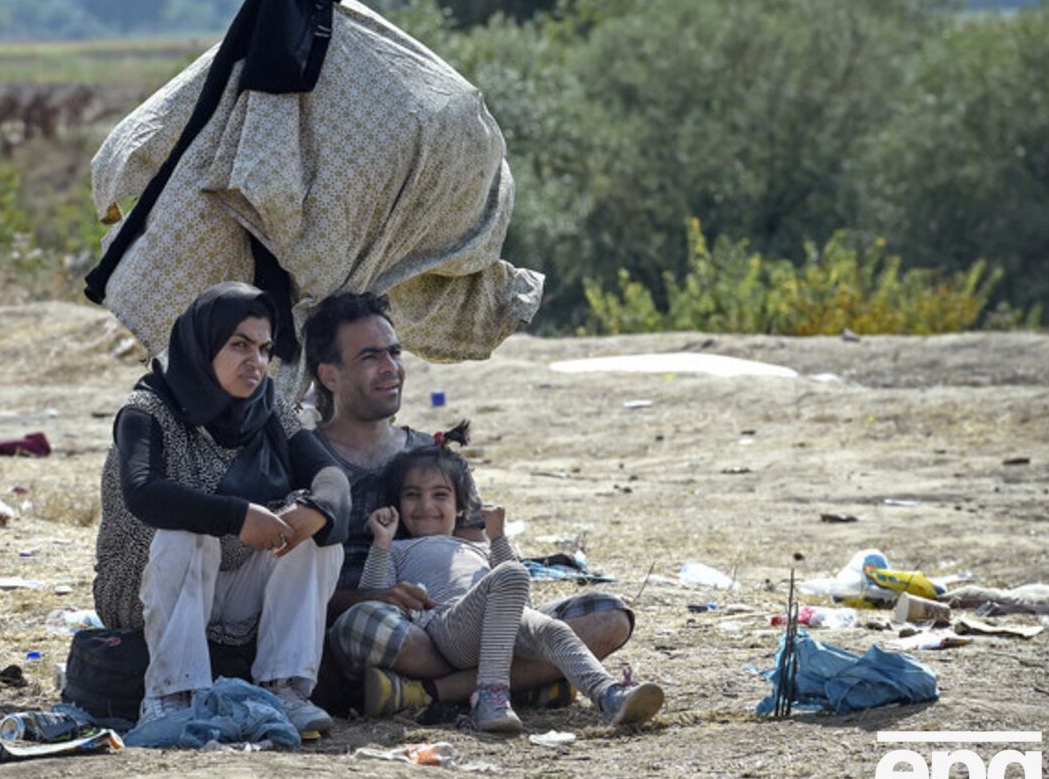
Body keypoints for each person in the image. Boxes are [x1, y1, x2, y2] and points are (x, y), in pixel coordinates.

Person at [304, 292, 638, 717]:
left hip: (466, 621)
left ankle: (428, 693)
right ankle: (528, 677)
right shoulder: (306, 458)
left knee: (610, 616)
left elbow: (478, 558)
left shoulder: (432, 454)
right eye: (371, 357)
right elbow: (291, 588)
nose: (391, 368)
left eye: (394, 352)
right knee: (371, 626)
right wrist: (375, 595)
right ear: (330, 376)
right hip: (390, 630)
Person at [93, 283, 349, 733]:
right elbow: (143, 492)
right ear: (203, 344)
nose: (256, 360)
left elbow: (331, 478)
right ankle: (172, 696)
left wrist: (316, 509)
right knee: (186, 531)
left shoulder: (268, 410)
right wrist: (237, 516)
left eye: (265, 348)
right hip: (141, 586)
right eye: (239, 345)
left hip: (229, 585)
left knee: (317, 537)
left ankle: (283, 689)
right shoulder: (147, 409)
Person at [362, 426, 664, 733]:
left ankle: (610, 695)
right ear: (398, 505)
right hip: (449, 628)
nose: (426, 505)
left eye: (440, 495)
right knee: (512, 574)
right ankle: (492, 695)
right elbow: (375, 591)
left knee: (554, 630)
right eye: (413, 496)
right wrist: (381, 543)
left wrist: (498, 539)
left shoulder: (479, 546)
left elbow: (523, 600)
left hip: (503, 627)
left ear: (462, 507)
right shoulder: (399, 548)